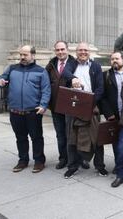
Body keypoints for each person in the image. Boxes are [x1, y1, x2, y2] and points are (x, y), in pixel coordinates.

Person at [0, 45, 51, 173]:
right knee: (20, 137)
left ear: (33, 55)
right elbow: (1, 79)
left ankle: (39, 161)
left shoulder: (41, 71)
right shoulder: (12, 68)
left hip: (33, 111)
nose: (22, 57)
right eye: (21, 55)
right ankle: (23, 160)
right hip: (15, 111)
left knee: (36, 137)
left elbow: (46, 90)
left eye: (25, 55)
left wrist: (43, 105)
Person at [62, 42, 108, 179]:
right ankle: (72, 166)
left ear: (89, 52)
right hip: (73, 107)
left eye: (85, 50)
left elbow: (100, 89)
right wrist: (73, 78)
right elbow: (65, 73)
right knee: (72, 138)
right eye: (80, 50)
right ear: (76, 52)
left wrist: (89, 103)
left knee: (97, 138)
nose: (83, 52)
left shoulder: (96, 66)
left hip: (91, 107)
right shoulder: (71, 64)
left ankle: (100, 166)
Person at [45, 41, 76, 169]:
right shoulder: (51, 65)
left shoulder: (74, 63)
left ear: (67, 50)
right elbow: (45, 83)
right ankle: (63, 158)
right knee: (60, 134)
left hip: (71, 106)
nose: (60, 52)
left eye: (63, 49)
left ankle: (76, 159)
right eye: (58, 50)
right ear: (55, 51)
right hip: (55, 106)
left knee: (73, 134)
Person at [99, 52, 123, 172]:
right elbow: (102, 96)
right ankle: (119, 164)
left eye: (117, 58)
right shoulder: (105, 75)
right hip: (114, 115)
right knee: (116, 142)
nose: (114, 61)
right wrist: (108, 113)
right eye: (112, 59)